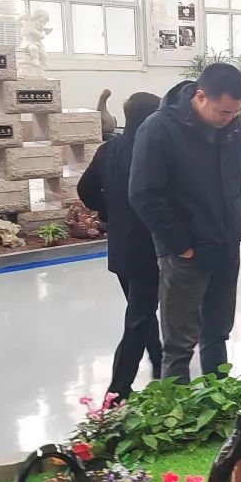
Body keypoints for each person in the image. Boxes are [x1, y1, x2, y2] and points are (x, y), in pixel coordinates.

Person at [129, 63, 241, 383]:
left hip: (226, 246)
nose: (230, 119)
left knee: (217, 333)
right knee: (179, 344)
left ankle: (220, 399)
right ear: (200, 96)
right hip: (186, 255)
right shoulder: (159, 129)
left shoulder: (233, 128)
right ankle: (177, 409)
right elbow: (143, 194)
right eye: (223, 112)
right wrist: (180, 245)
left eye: (235, 113)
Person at [77, 92, 163, 399]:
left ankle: (160, 361)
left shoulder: (109, 149)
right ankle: (118, 389)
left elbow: (85, 189)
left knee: (141, 310)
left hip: (120, 246)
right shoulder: (152, 152)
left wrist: (109, 210)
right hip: (148, 248)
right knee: (139, 317)